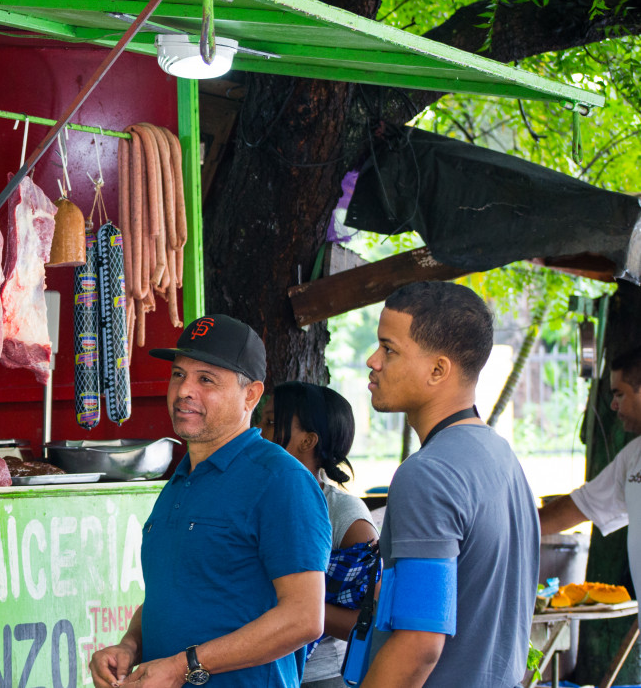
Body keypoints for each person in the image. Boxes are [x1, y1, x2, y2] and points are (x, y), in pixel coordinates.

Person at [89, 314, 330, 688]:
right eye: (178, 374)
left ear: (251, 395)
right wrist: (130, 645)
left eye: (206, 379)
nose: (184, 390)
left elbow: (303, 618)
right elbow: (174, 594)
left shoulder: (281, 480)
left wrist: (181, 666)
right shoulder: (181, 479)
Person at [359, 281, 538, 688]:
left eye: (389, 349)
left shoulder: (429, 473)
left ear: (438, 370)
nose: (373, 361)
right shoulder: (500, 455)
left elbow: (419, 645)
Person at [260, 382, 378, 688]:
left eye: (271, 422)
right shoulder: (249, 498)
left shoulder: (345, 515)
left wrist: (296, 602)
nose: (258, 432)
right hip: (251, 669)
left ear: (308, 441)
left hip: (315, 679)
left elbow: (368, 621)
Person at [540, 345, 641, 615]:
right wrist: (507, 525)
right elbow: (580, 506)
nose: (613, 405)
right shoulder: (633, 457)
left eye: (619, 394)